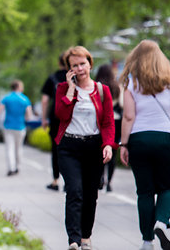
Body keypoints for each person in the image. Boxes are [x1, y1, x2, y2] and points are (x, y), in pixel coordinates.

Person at [119, 40, 170, 250]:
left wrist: (124, 144)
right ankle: (161, 221)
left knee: (145, 192)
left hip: (139, 139)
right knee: (167, 187)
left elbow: (128, 116)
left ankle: (147, 241)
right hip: (166, 139)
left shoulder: (131, 82)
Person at [54, 46, 115, 250]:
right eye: (74, 66)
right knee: (74, 191)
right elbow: (61, 115)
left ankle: (86, 236)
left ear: (90, 63)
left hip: (93, 147)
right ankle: (74, 238)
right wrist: (71, 89)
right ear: (69, 69)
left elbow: (107, 121)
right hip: (69, 147)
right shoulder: (63, 89)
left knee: (90, 194)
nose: (79, 69)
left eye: (82, 64)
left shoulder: (101, 90)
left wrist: (108, 144)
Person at [0, 80, 33, 176]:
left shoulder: (7, 98)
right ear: (18, 87)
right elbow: (29, 116)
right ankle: (18, 167)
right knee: (19, 148)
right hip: (21, 127)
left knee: (9, 148)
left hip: (8, 126)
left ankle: (11, 168)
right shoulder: (25, 99)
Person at [41, 52, 68, 190]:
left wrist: (44, 118)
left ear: (59, 63)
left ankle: (55, 180)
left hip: (55, 116)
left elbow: (45, 100)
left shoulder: (52, 78)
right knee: (69, 149)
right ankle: (68, 181)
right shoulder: (75, 77)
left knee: (56, 148)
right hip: (70, 118)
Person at [96, 64, 122, 192]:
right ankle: (109, 182)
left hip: (101, 122)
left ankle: (100, 177)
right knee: (112, 151)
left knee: (101, 150)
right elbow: (122, 104)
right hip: (116, 121)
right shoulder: (116, 87)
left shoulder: (97, 86)